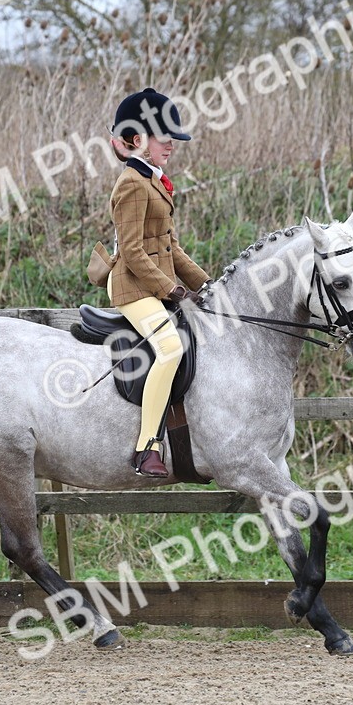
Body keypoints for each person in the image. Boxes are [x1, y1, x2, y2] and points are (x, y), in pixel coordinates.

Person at [107, 88, 210, 477]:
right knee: (170, 347)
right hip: (133, 287)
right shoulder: (132, 183)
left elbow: (172, 249)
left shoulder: (154, 180)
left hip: (154, 283)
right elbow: (132, 253)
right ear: (137, 140)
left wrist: (208, 286)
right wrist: (172, 290)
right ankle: (146, 446)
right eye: (161, 136)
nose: (171, 144)